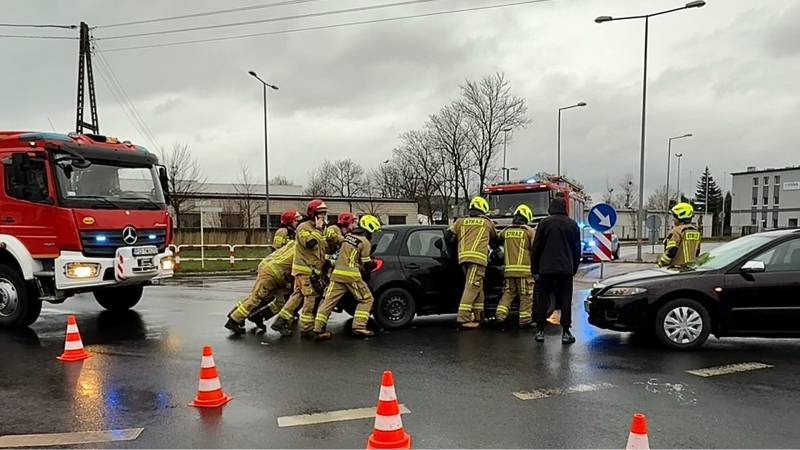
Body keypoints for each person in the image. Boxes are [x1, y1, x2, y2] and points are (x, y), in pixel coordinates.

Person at [313, 214, 381, 340]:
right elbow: (365, 263)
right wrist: (372, 265)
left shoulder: (348, 237)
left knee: (328, 302)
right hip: (352, 276)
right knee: (367, 299)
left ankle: (318, 328)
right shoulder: (365, 242)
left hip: (337, 274)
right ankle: (359, 326)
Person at [271, 199, 329, 338]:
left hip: (311, 270)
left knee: (297, 296)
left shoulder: (320, 228)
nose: (323, 217)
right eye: (321, 214)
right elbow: (309, 244)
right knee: (310, 297)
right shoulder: (303, 227)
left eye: (325, 214)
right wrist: (319, 230)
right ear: (314, 214)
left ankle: (280, 322)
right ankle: (307, 329)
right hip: (304, 270)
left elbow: (323, 247)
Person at [531, 195, 581, 344]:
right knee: (566, 300)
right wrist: (573, 268)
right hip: (565, 269)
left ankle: (540, 330)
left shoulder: (544, 223)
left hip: (545, 269)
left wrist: (534, 269)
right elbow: (576, 250)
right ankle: (566, 332)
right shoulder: (572, 225)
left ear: (550, 209)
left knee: (542, 299)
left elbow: (537, 248)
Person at [446, 196, 498, 329]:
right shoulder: (487, 223)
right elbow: (495, 241)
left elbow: (448, 236)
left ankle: (479, 315)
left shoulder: (460, 221)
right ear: (482, 209)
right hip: (478, 260)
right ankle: (463, 318)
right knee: (471, 288)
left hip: (463, 259)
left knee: (477, 287)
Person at [224, 240, 295, 334]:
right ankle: (233, 321)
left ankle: (258, 316)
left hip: (276, 273)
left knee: (281, 301)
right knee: (256, 298)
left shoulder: (294, 243)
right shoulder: (303, 250)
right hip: (273, 273)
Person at [495, 204, 536, 328]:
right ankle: (525, 320)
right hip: (524, 271)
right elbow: (535, 249)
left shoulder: (506, 231)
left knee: (508, 293)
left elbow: (496, 240)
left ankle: (500, 316)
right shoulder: (529, 231)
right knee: (526, 295)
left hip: (508, 271)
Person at [658, 202, 702, 268]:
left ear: (680, 217)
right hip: (691, 269)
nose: (673, 219)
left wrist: (661, 262)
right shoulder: (695, 231)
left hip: (677, 269)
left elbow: (672, 251)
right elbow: (697, 252)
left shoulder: (677, 231)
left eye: (674, 217)